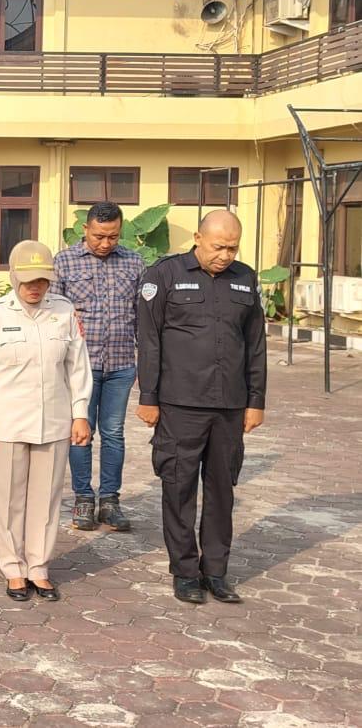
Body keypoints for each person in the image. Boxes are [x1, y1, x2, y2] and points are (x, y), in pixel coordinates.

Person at [136, 209, 266, 605]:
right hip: (180, 403)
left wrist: (256, 401)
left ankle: (216, 572)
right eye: (218, 247)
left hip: (229, 404)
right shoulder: (164, 275)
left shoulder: (245, 278)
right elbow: (149, 340)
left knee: (222, 490)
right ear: (197, 238)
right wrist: (148, 396)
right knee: (179, 488)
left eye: (232, 248)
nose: (225, 255)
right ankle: (185, 572)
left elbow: (255, 343)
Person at [0, 240, 92, 602]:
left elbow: (77, 367)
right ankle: (13, 568)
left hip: (53, 421)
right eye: (28, 280)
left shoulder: (64, 312)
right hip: (6, 423)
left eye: (42, 280)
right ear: (13, 277)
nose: (35, 287)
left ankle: (38, 567)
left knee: (46, 500)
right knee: (8, 500)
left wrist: (80, 413)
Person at [52, 201, 145, 532]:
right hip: (81, 367)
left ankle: (109, 501)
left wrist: (147, 364)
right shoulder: (64, 262)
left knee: (114, 433)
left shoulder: (134, 262)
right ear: (85, 229)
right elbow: (53, 316)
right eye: (99, 236)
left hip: (121, 364)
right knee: (81, 433)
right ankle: (83, 499)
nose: (106, 243)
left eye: (113, 236)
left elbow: (142, 316)